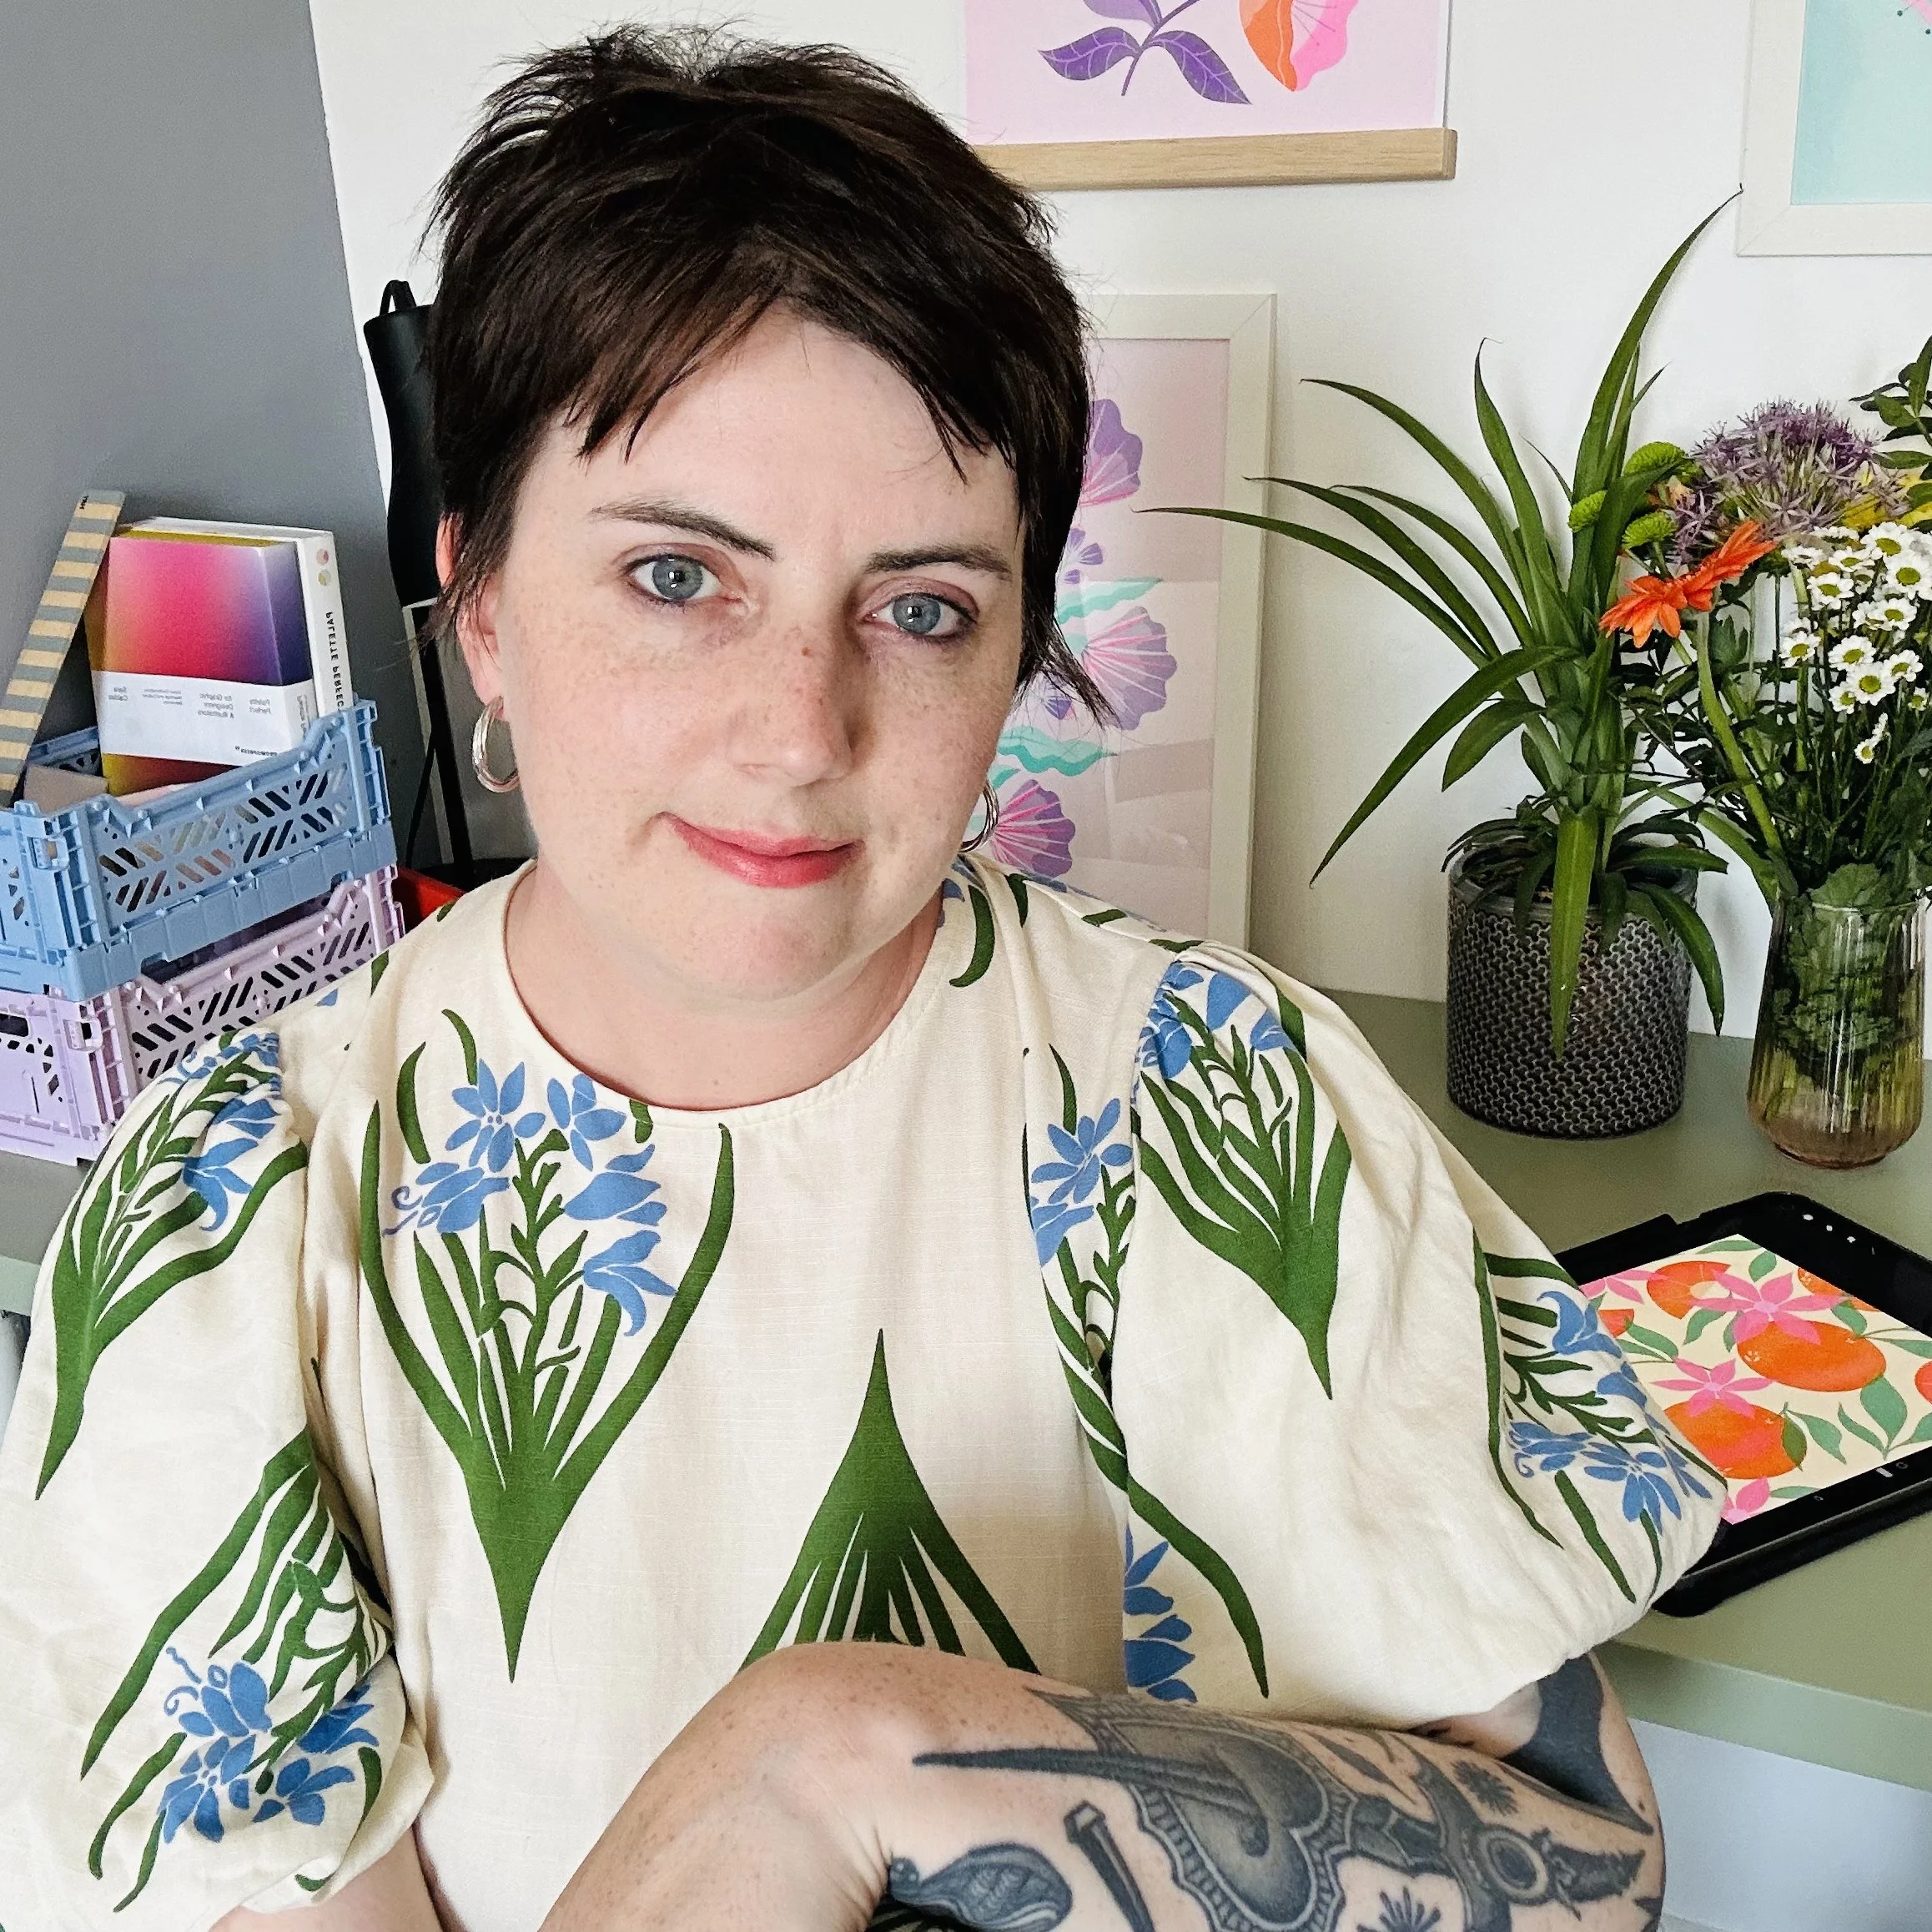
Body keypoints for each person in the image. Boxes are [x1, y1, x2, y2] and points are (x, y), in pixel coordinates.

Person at [0, 28, 1720, 1932]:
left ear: (1016, 655)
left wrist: (841, 1758)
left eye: (920, 609)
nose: (802, 728)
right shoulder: (228, 1212)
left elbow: (1589, 1867)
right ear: (478, 602)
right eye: (678, 578)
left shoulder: (1227, 1097)